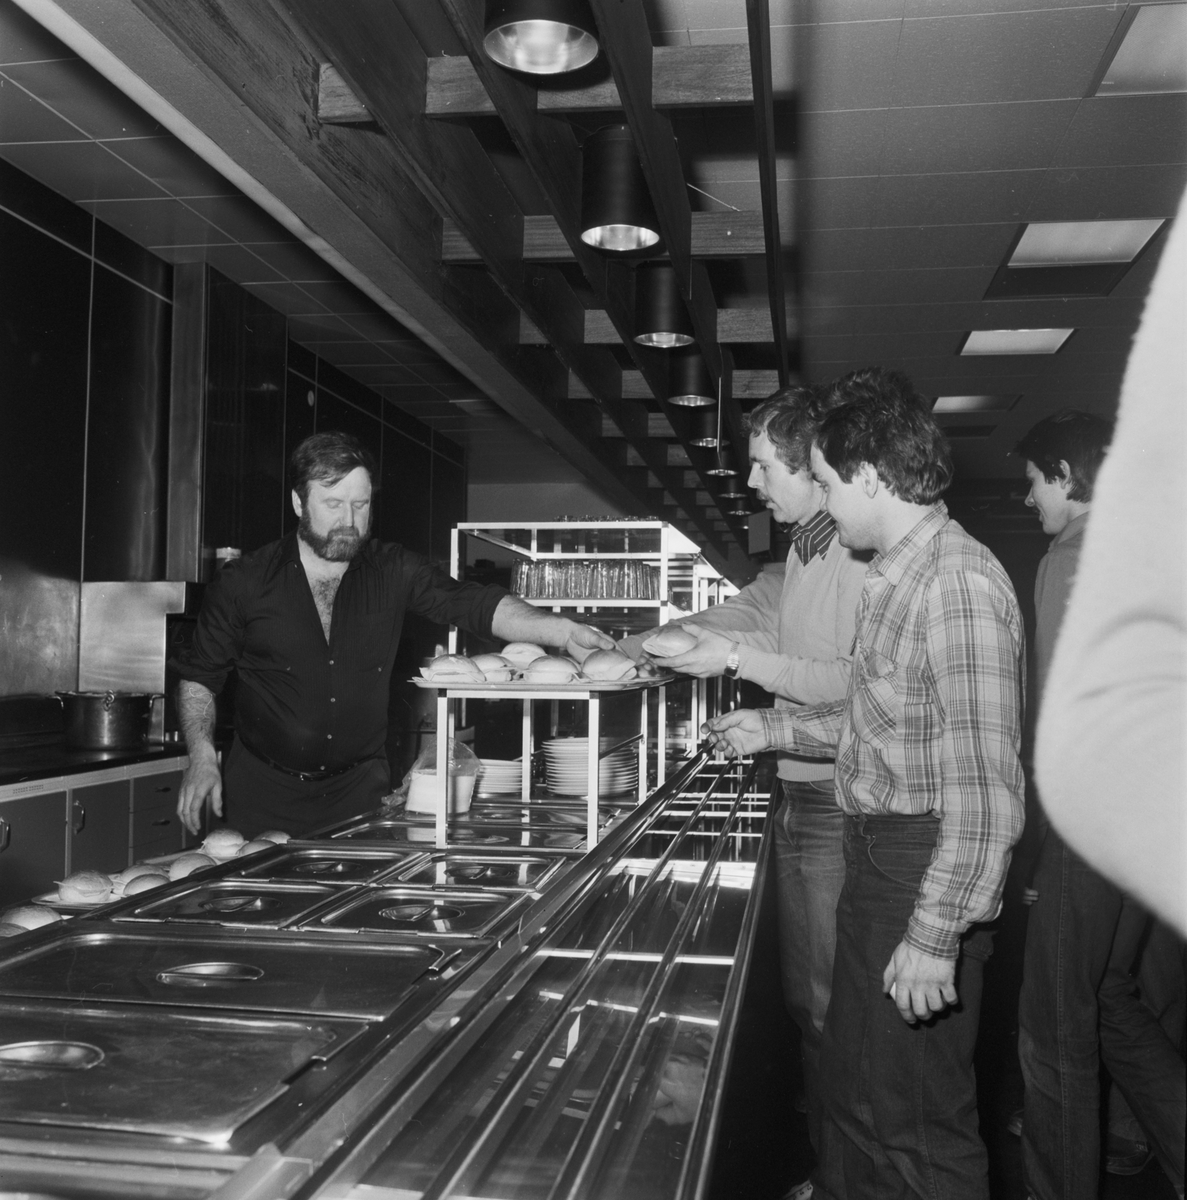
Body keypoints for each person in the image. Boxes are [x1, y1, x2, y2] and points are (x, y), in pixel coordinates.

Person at [706, 369, 1025, 1200]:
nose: (821, 498)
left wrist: (935, 934)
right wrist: (772, 730)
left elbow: (984, 788)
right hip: (876, 857)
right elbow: (881, 719)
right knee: (854, 1091)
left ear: (871, 477)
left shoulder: (955, 582)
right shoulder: (894, 575)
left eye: (826, 479)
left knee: (913, 1121)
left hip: (918, 865)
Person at [623, 386, 869, 1185]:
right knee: (811, 1005)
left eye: (764, 466)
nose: (752, 482)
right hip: (803, 792)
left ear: (811, 465)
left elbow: (852, 685)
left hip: (835, 800)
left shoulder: (854, 554)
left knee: (830, 1010)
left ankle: (844, 1178)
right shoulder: (804, 548)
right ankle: (833, 1169)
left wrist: (734, 668)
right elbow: (756, 616)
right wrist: (644, 643)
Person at [174, 431, 613, 839]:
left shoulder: (393, 569)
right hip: (262, 794)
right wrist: (201, 756)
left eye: (361, 504)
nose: (349, 520)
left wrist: (564, 631)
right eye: (333, 504)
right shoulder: (245, 582)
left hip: (359, 796)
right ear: (297, 502)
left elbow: (474, 604)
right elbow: (200, 678)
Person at [1014, 425, 1186, 1193]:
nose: (1028, 497)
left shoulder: (1070, 559)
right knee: (1110, 997)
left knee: (1053, 1025)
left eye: (1034, 480)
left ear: (1064, 474)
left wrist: (1037, 843)